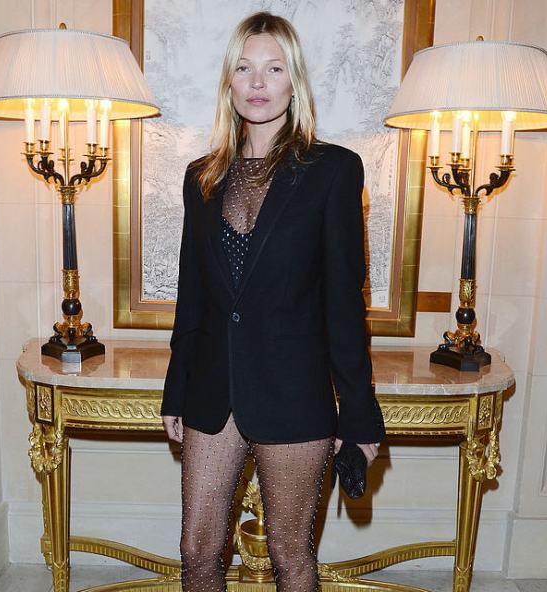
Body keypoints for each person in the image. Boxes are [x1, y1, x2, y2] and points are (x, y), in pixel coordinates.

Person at [159, 12, 385, 592]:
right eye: (244, 68)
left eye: (274, 68)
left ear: (294, 82)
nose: (258, 82)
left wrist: (359, 413)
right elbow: (193, 298)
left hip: (294, 393)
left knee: (290, 554)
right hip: (213, 391)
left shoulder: (333, 171)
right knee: (196, 550)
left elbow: (344, 303)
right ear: (229, 82)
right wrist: (176, 389)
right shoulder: (201, 177)